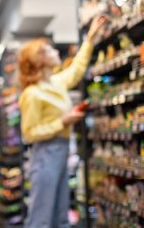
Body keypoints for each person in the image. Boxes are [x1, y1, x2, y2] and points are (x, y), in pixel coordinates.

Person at [18, 15, 106, 228]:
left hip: (60, 152)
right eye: (50, 50)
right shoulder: (32, 93)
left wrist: (90, 39)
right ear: (39, 60)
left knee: (60, 215)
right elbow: (28, 134)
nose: (56, 52)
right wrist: (63, 121)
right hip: (45, 154)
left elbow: (75, 71)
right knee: (42, 217)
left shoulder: (54, 83)